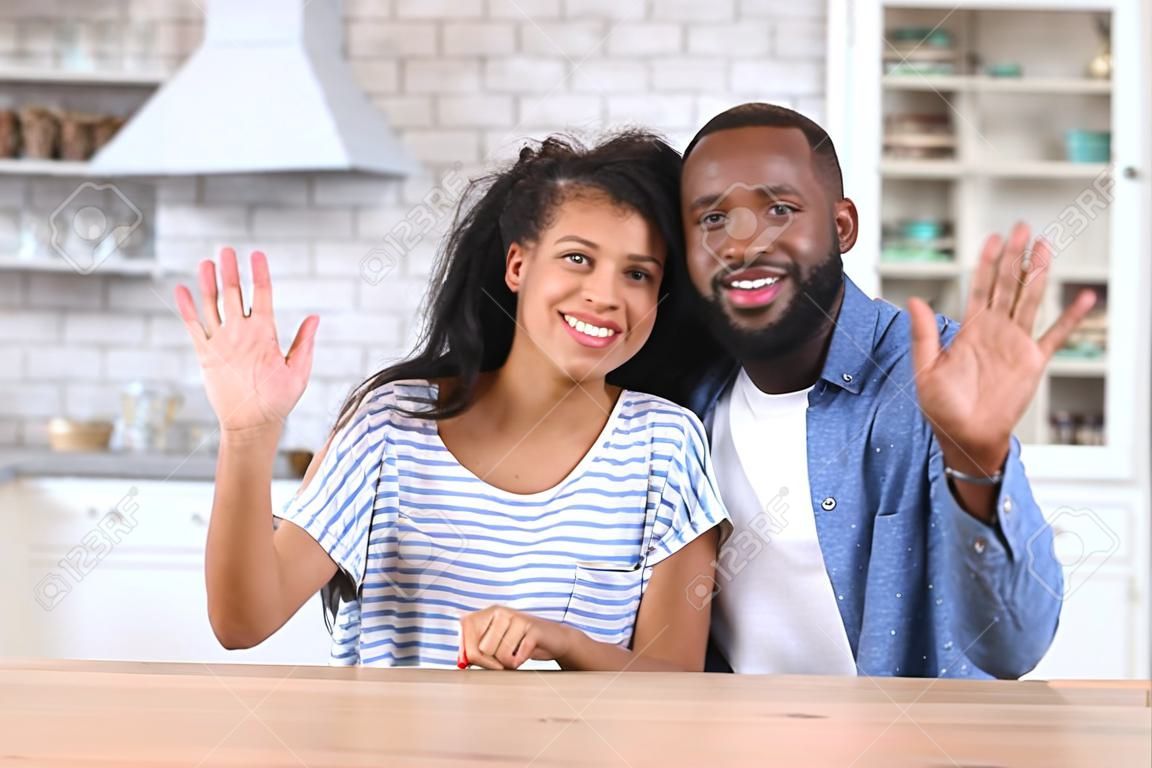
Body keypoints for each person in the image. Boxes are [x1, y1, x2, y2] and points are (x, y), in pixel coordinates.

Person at [174, 132, 729, 671]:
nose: (606, 295)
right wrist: (249, 435)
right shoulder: (389, 425)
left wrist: (561, 641)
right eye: (577, 259)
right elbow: (242, 622)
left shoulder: (667, 444)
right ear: (518, 265)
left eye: (637, 273)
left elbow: (674, 680)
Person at [678, 103, 1093, 679]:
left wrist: (977, 461)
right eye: (713, 220)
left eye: (779, 208)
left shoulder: (937, 376)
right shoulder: (685, 396)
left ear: (842, 226)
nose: (743, 244)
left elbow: (1014, 647)